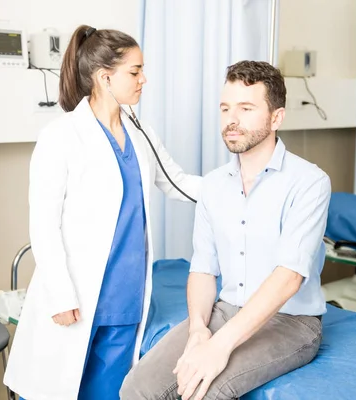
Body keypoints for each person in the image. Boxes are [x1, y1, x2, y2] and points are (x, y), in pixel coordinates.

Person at [3, 25, 201, 400]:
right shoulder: (60, 136)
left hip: (125, 295)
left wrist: (237, 188)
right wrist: (61, 295)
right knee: (57, 389)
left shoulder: (140, 134)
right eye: (135, 71)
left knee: (106, 394)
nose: (144, 79)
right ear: (105, 77)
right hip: (75, 294)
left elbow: (177, 182)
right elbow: (43, 224)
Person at [120, 60, 331, 400]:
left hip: (290, 322)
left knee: (206, 391)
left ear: (276, 117)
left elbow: (289, 276)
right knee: (136, 389)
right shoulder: (214, 186)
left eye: (246, 108)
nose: (232, 119)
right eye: (225, 108)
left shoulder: (309, 182)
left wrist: (221, 345)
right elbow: (203, 269)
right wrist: (198, 331)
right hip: (224, 310)